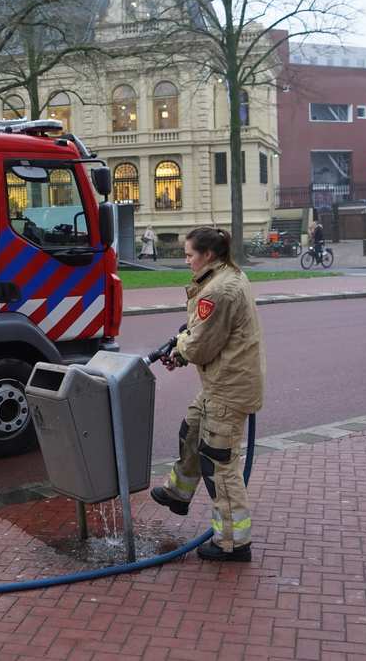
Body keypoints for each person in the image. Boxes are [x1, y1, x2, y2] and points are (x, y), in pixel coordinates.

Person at [149, 227, 266, 561]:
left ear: (208, 255)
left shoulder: (218, 291)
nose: (186, 261)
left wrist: (182, 347)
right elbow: (206, 334)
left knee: (220, 466)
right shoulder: (225, 276)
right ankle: (178, 493)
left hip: (229, 388)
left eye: (189, 255)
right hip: (222, 382)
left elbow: (200, 346)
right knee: (192, 429)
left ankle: (233, 543)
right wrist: (184, 348)